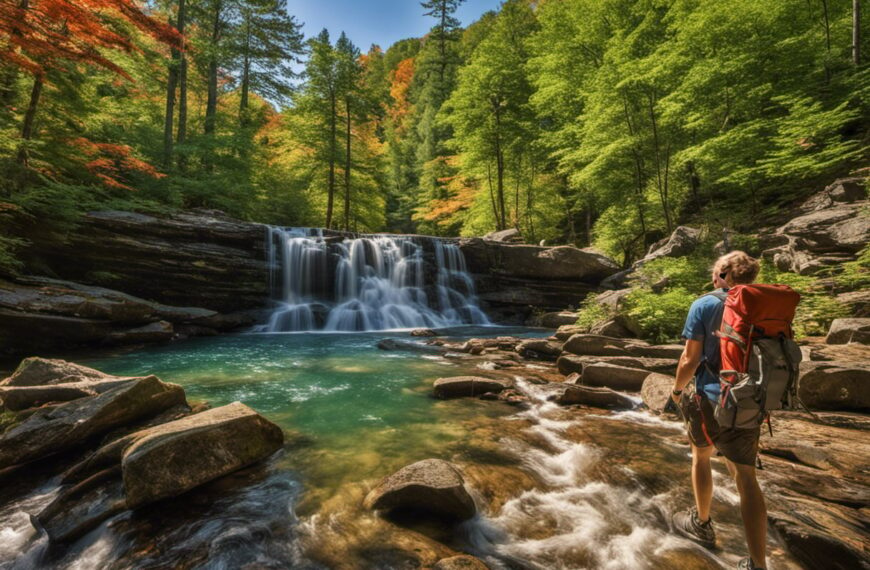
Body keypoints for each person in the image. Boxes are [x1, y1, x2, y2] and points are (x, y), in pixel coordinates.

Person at [670, 251, 767, 570]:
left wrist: (676, 389)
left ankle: (702, 523)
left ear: (724, 274)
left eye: (716, 271)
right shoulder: (763, 304)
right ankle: (758, 563)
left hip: (711, 398)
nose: (714, 276)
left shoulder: (705, 304)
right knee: (746, 477)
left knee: (700, 456)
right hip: (752, 399)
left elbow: (690, 359)